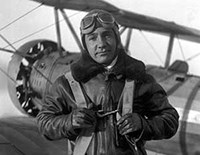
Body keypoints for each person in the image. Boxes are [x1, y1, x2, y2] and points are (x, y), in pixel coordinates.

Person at [37, 9, 179, 155]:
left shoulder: (140, 79)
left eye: (107, 35)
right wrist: (70, 121)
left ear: (117, 38)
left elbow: (170, 119)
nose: (101, 44)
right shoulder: (67, 83)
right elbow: (44, 122)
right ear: (85, 44)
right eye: (92, 38)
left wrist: (143, 124)